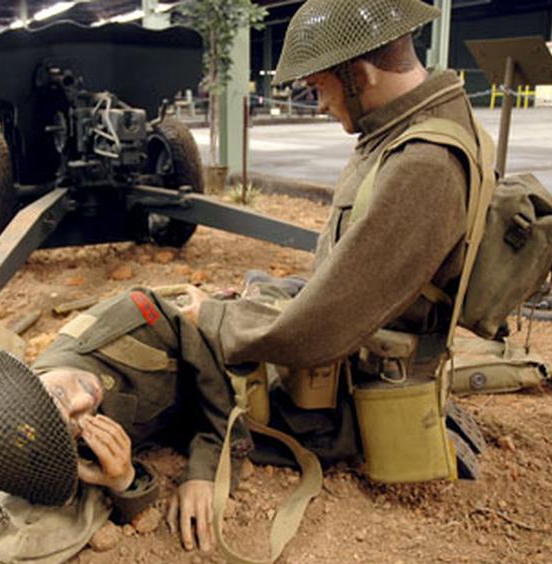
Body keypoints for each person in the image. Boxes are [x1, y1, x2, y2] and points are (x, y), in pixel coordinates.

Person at [180, 0, 487, 477]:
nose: (319, 104)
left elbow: (322, 329)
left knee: (190, 389)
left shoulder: (421, 165)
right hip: (358, 344)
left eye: (319, 87)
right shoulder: (414, 127)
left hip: (348, 399)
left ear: (360, 75)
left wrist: (216, 319)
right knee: (258, 286)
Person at [0, 287, 262, 554]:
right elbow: (94, 496)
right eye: (74, 422)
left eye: (60, 393)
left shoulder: (130, 322)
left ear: (31, 374)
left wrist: (205, 472)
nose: (86, 402)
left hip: (239, 343)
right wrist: (122, 479)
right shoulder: (47, 437)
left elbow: (216, 382)